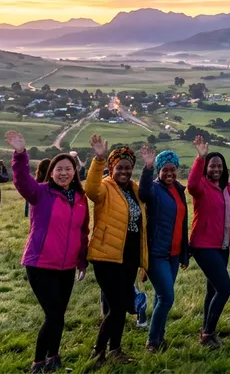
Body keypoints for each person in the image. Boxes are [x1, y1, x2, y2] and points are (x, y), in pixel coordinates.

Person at [5, 131, 89, 373]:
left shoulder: (81, 198)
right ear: (51, 172)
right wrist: (20, 154)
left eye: (68, 169)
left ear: (75, 172)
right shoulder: (40, 193)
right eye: (59, 169)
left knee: (59, 314)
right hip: (40, 264)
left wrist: (81, 262)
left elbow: (82, 232)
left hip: (67, 267)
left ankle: (54, 356)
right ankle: (38, 362)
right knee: (53, 314)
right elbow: (22, 181)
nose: (64, 173)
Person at [85, 135, 148, 365]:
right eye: (119, 167)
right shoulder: (104, 187)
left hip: (129, 257)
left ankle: (115, 350)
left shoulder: (135, 189)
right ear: (111, 167)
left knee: (119, 307)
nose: (124, 171)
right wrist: (99, 159)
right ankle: (98, 351)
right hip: (106, 256)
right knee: (119, 304)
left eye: (128, 167)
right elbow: (90, 190)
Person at [188, 136, 230, 349]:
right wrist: (200, 158)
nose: (216, 169)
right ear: (206, 168)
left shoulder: (228, 188)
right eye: (212, 166)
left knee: (212, 289)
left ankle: (206, 328)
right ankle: (208, 334)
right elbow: (191, 185)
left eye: (219, 166)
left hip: (222, 246)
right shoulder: (200, 186)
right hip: (203, 245)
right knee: (224, 288)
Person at [137, 146, 189, 352]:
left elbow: (182, 223)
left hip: (174, 254)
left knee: (162, 297)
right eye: (164, 169)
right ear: (159, 170)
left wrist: (184, 253)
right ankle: (152, 341)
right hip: (157, 253)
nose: (169, 173)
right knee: (167, 297)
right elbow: (143, 192)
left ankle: (159, 336)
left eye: (172, 169)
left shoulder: (178, 190)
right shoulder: (154, 189)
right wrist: (147, 168)